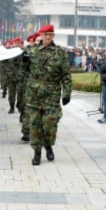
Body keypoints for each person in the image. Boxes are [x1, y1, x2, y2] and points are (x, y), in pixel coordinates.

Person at [23, 24, 72, 166]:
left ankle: (48, 145)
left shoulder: (60, 52)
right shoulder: (31, 51)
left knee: (50, 123)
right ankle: (37, 152)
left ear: (53, 36)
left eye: (50, 34)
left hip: (52, 93)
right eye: (46, 34)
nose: (48, 37)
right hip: (34, 94)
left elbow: (66, 75)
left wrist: (67, 92)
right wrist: (24, 60)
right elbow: (24, 70)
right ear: (41, 35)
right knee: (35, 124)